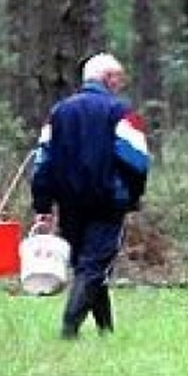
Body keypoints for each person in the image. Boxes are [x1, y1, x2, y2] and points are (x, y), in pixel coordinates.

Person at [30, 52, 150, 339]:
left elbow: (42, 161)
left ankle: (105, 330)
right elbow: (137, 159)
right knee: (94, 265)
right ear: (108, 78)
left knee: (88, 263)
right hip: (109, 200)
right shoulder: (120, 111)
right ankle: (69, 328)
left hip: (69, 202)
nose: (121, 84)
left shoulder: (58, 112)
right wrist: (133, 193)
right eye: (119, 78)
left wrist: (43, 204)